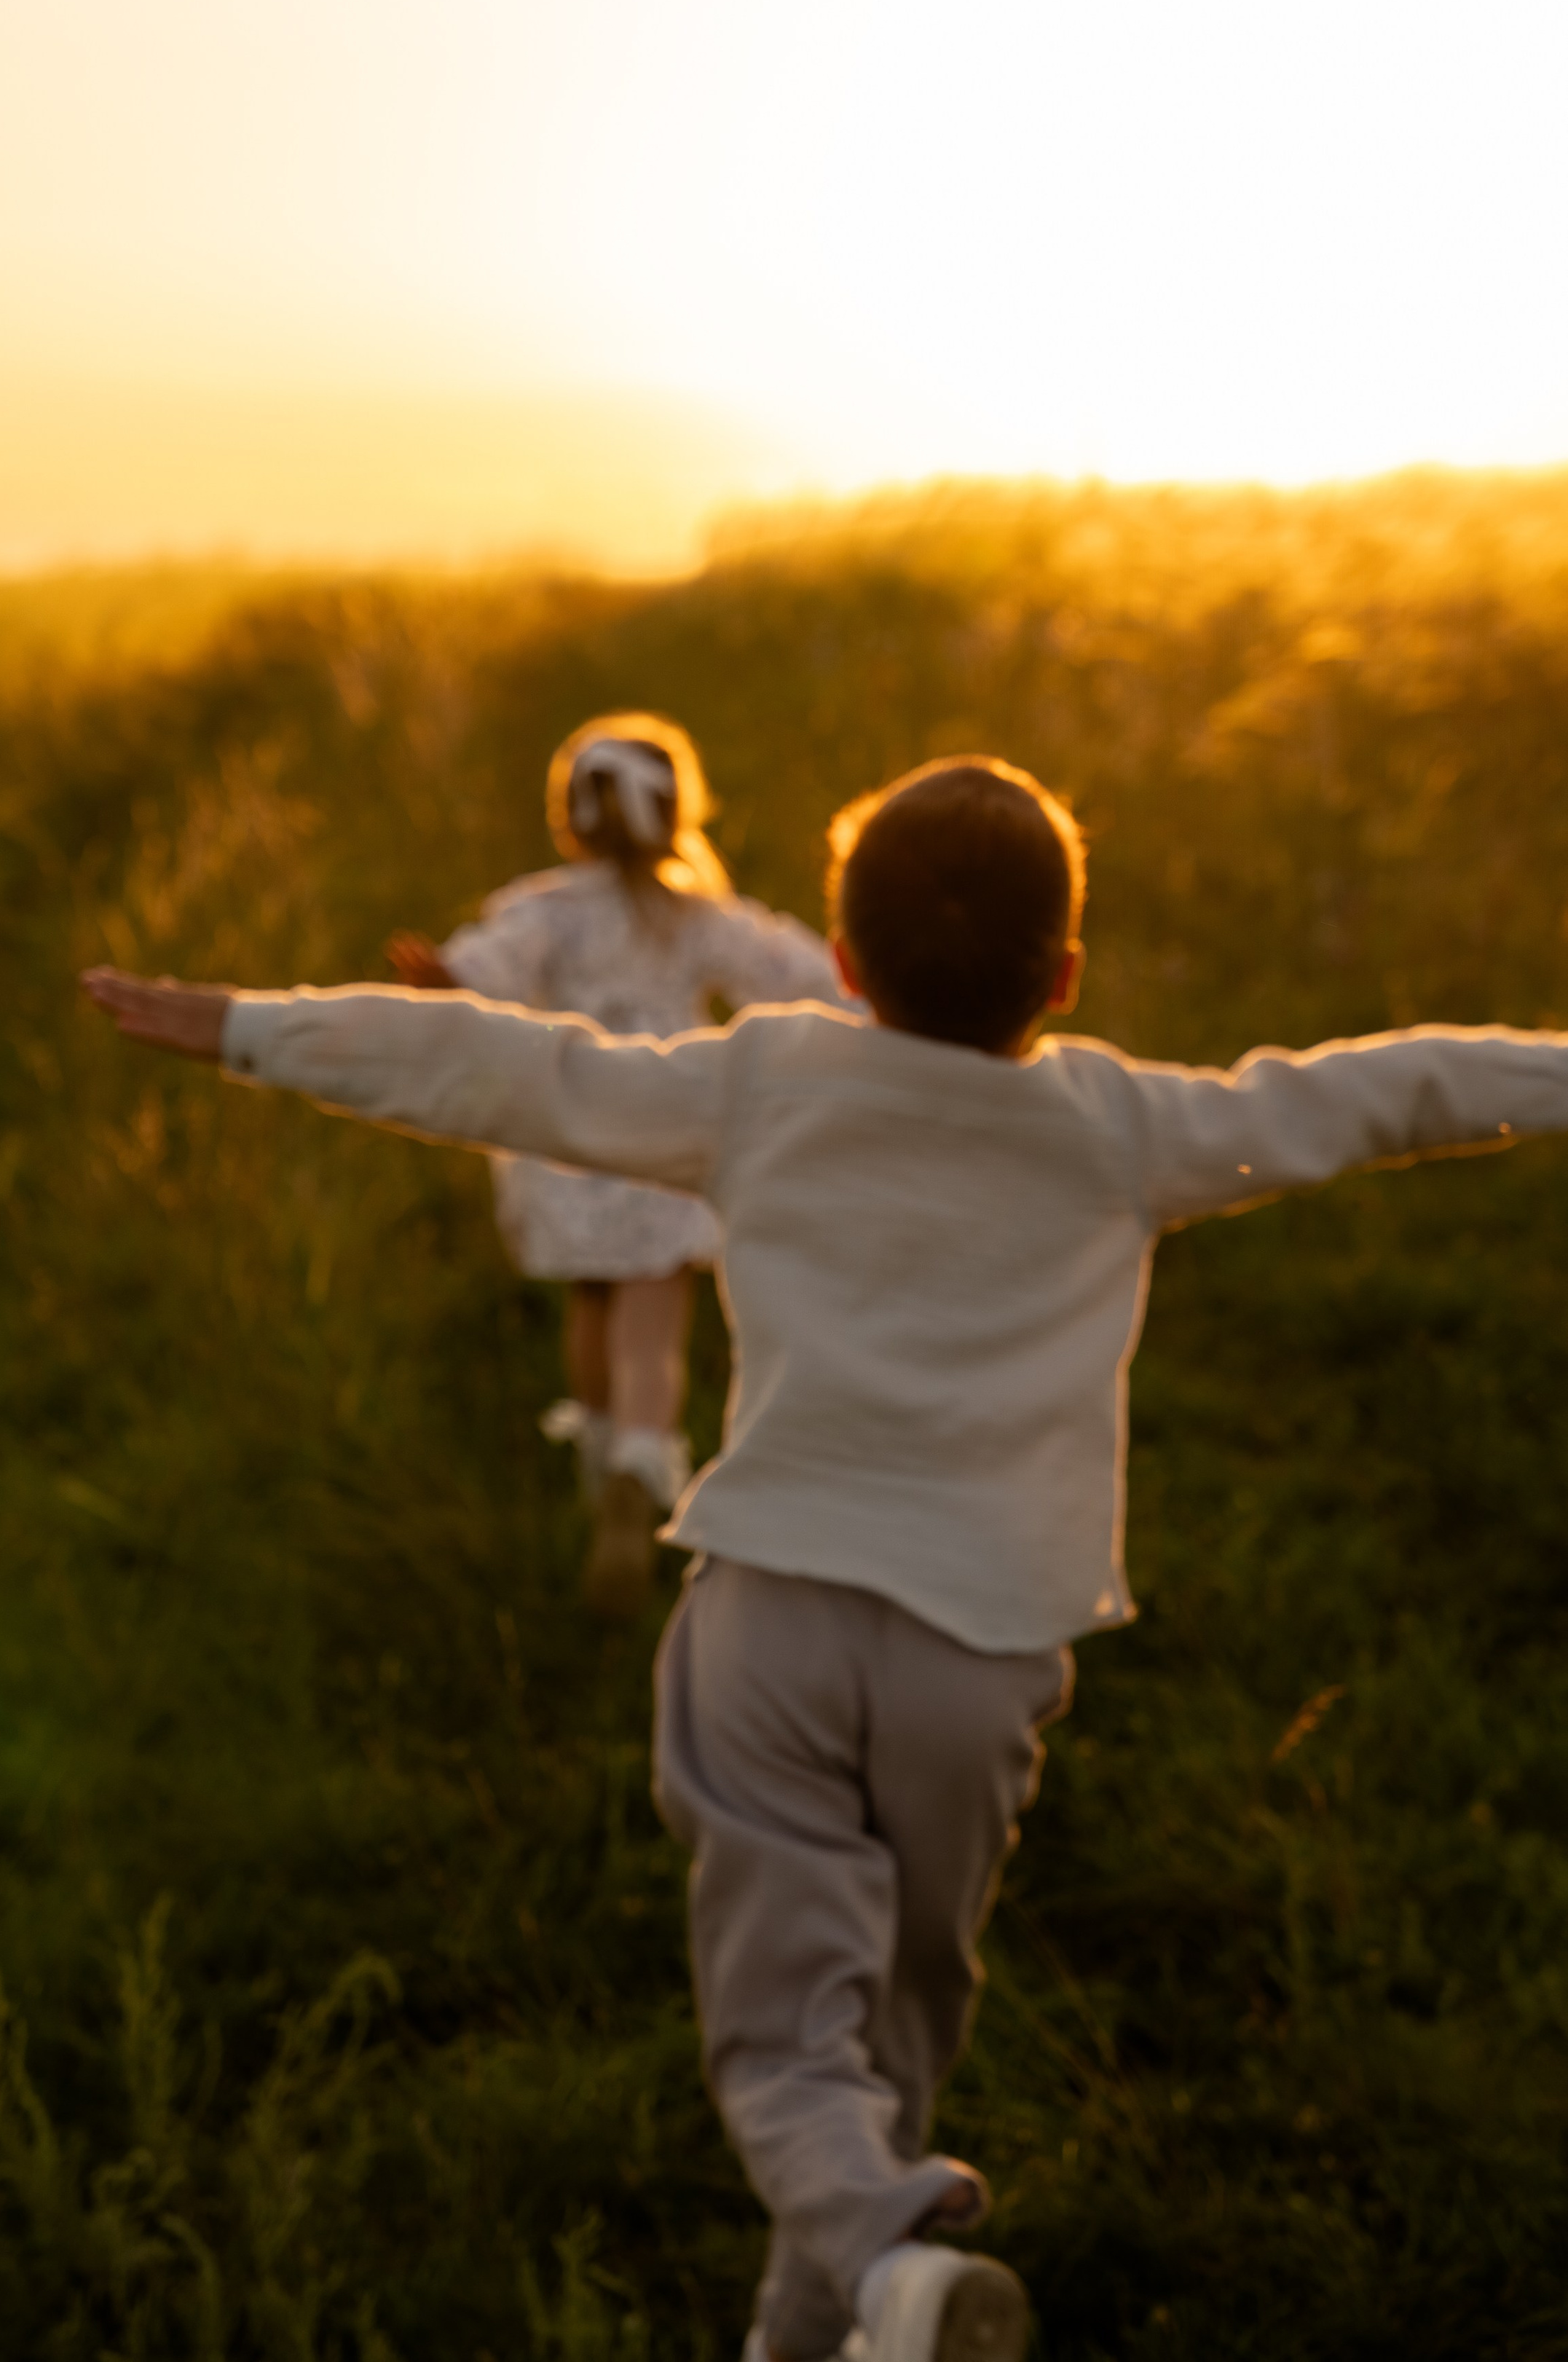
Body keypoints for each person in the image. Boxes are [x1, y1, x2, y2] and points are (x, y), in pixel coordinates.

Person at [80, 754, 1568, 2362]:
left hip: (771, 1620)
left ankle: (876, 2263)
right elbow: (1385, 1088)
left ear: (844, 964)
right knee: (901, 2029)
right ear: (1062, 977)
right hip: (983, 1646)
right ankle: (856, 2307)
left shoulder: (764, 1083)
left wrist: (247, 1025)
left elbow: (504, 1070)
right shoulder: (1129, 1126)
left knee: (790, 2048)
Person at [384, 713, 846, 1617]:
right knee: (652, 1308)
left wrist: (447, 980)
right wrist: (865, 978)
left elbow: (484, 973)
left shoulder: (543, 911)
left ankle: (601, 1471)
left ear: (569, 819)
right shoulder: (694, 915)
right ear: (678, 816)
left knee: (591, 1299)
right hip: (669, 1124)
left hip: (563, 1130)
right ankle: (646, 1451)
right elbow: (793, 971)